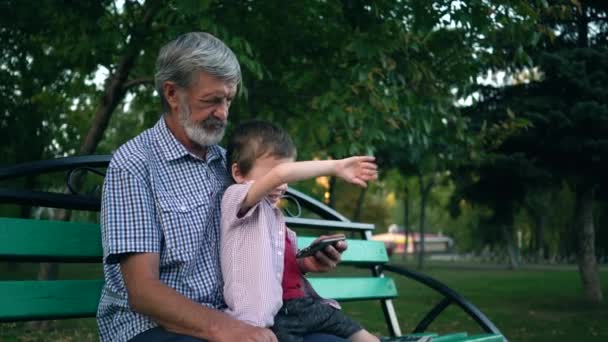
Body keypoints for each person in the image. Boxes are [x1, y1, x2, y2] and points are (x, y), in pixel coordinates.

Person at [98, 32, 348, 342]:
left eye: (228, 99)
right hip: (154, 328)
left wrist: (300, 264)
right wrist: (225, 329)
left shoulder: (229, 164)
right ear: (172, 94)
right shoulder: (134, 165)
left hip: (236, 317)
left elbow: (245, 253)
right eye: (212, 100)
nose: (223, 113)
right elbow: (143, 292)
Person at [221, 120, 380, 342]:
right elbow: (281, 174)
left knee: (354, 330)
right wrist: (334, 167)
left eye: (287, 177)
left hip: (302, 305)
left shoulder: (276, 221)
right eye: (279, 175)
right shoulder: (235, 199)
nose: (284, 184)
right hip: (270, 320)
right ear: (238, 173)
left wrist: (307, 261)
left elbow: (281, 269)